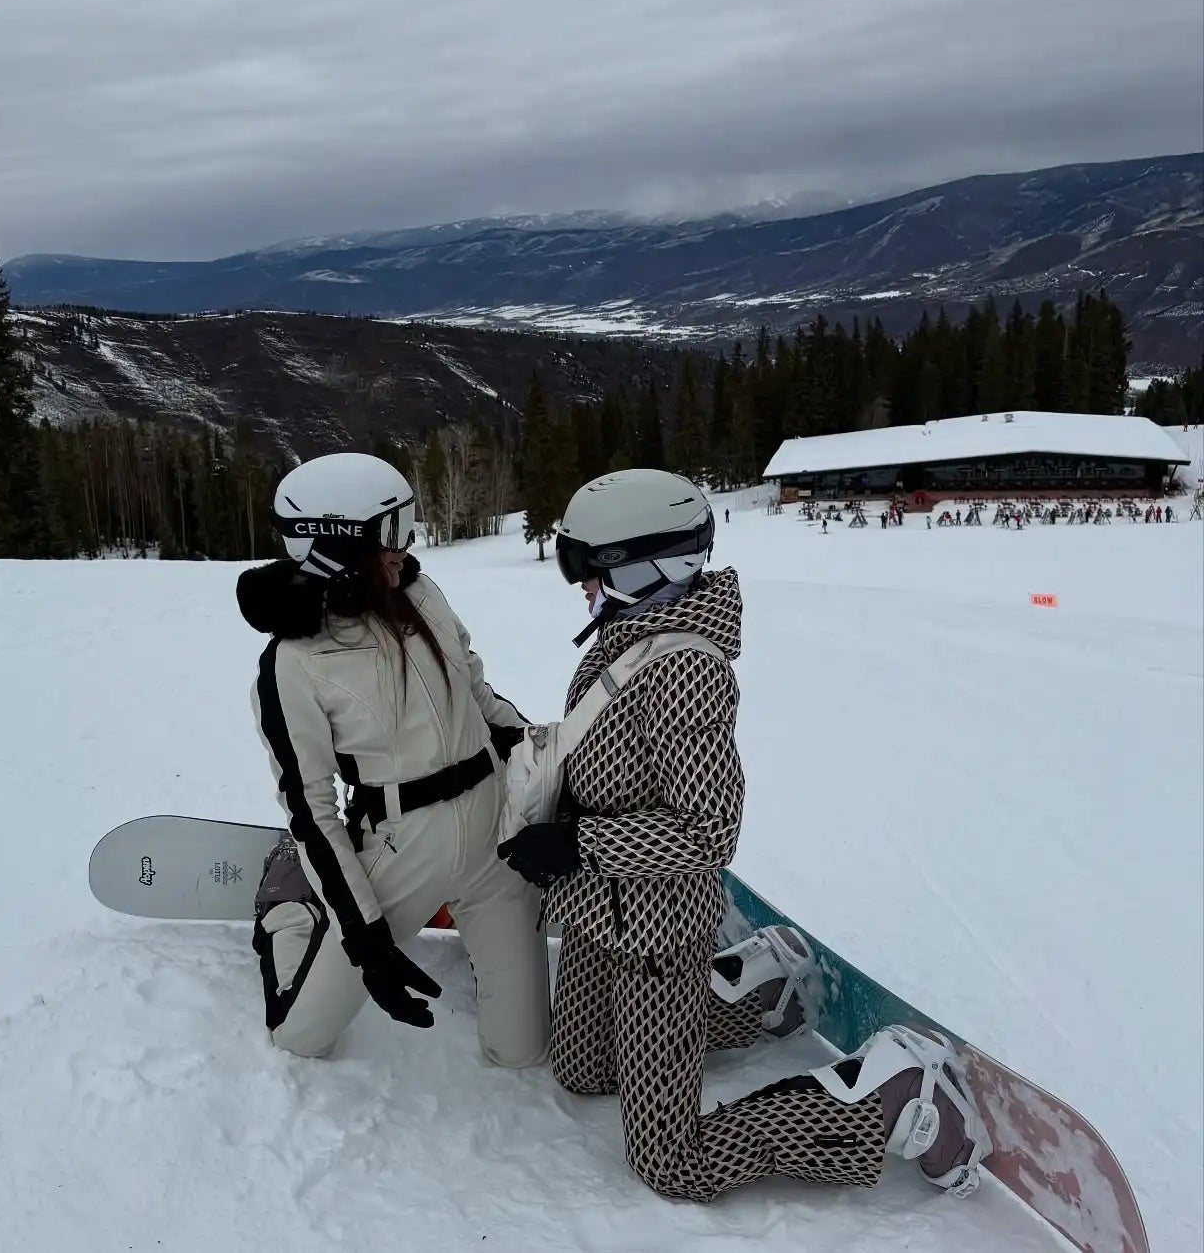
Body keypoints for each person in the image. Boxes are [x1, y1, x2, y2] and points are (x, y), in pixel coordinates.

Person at [496, 469, 989, 1204]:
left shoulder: (686, 669)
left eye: (587, 567)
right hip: (602, 910)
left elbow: (708, 832)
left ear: (646, 565)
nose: (580, 585)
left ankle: (891, 1093)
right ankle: (757, 990)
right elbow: (611, 761)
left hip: (659, 930)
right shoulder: (623, 638)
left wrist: (577, 846)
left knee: (671, 1163)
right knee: (583, 1070)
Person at [237, 452, 549, 1066]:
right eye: (390, 535)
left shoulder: (419, 592)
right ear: (335, 546)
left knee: (521, 1052)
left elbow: (478, 695)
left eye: (407, 526)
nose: (406, 547)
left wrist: (551, 762)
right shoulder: (292, 664)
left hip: (493, 833)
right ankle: (292, 911)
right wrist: (365, 936)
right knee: (301, 1037)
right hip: (404, 847)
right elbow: (312, 807)